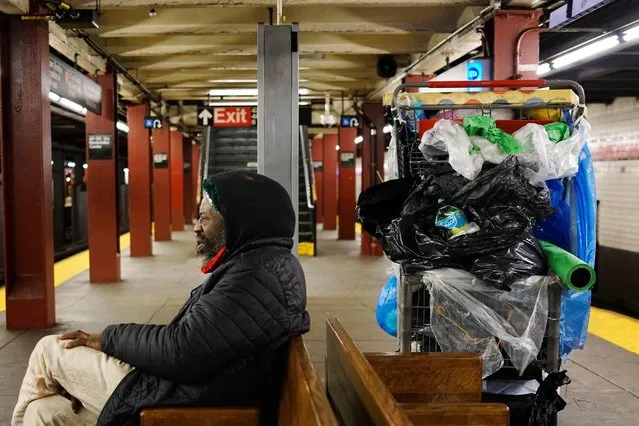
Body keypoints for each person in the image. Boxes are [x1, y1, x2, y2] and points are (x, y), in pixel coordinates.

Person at [12, 171, 311, 426]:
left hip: (178, 398)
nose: (196, 226)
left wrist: (106, 339)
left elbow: (181, 351)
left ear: (238, 221)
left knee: (49, 349)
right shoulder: (261, 265)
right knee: (45, 411)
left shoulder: (253, 277)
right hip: (193, 389)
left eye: (205, 218)